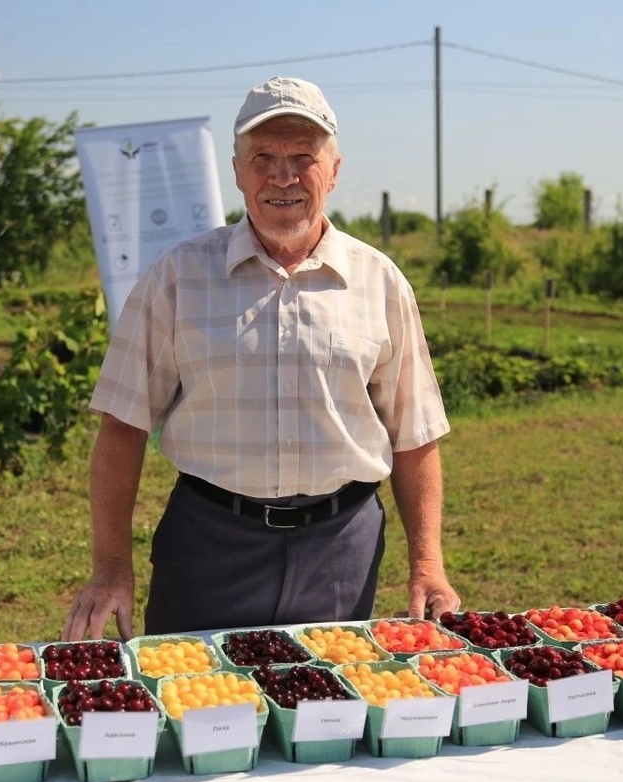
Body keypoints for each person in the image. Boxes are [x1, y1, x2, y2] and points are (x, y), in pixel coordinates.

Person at [62, 76, 460, 641]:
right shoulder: (178, 278)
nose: (283, 176)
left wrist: (428, 565)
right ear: (236, 169)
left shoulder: (381, 282)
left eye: (303, 157)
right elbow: (121, 429)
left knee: (326, 712)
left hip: (341, 548)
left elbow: (415, 435)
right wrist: (110, 569)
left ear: (335, 169)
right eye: (263, 158)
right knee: (193, 711)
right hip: (209, 547)